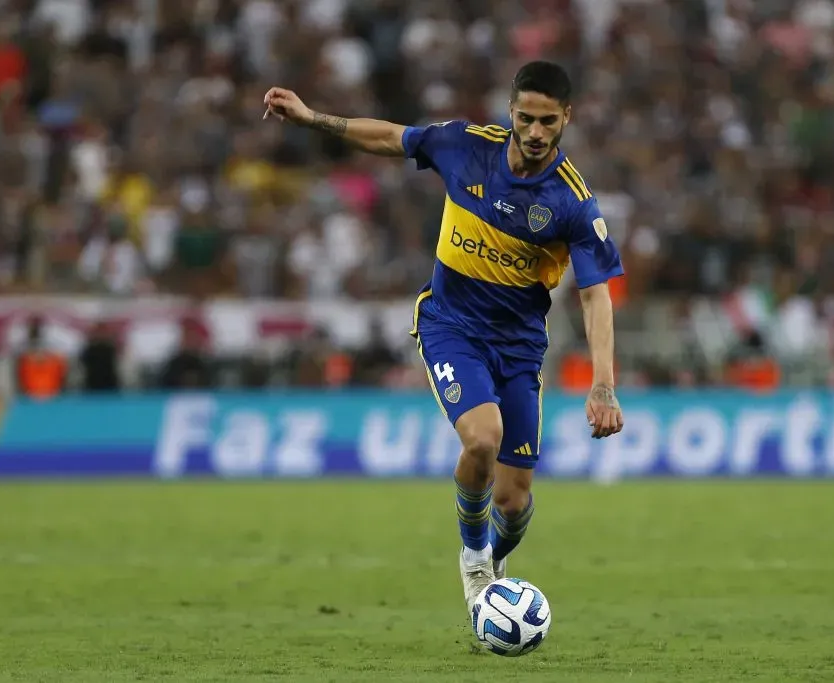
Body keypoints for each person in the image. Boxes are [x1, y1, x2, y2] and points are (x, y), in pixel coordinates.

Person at [263, 61, 625, 616]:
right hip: (450, 326)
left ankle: (495, 564)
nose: (534, 132)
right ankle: (475, 561)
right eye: (525, 118)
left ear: (566, 118)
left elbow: (595, 294)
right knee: (482, 438)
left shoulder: (572, 201)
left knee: (515, 500)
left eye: (547, 122)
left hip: (519, 346)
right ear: (510, 112)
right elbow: (390, 136)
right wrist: (314, 119)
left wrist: (603, 385)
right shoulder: (464, 146)